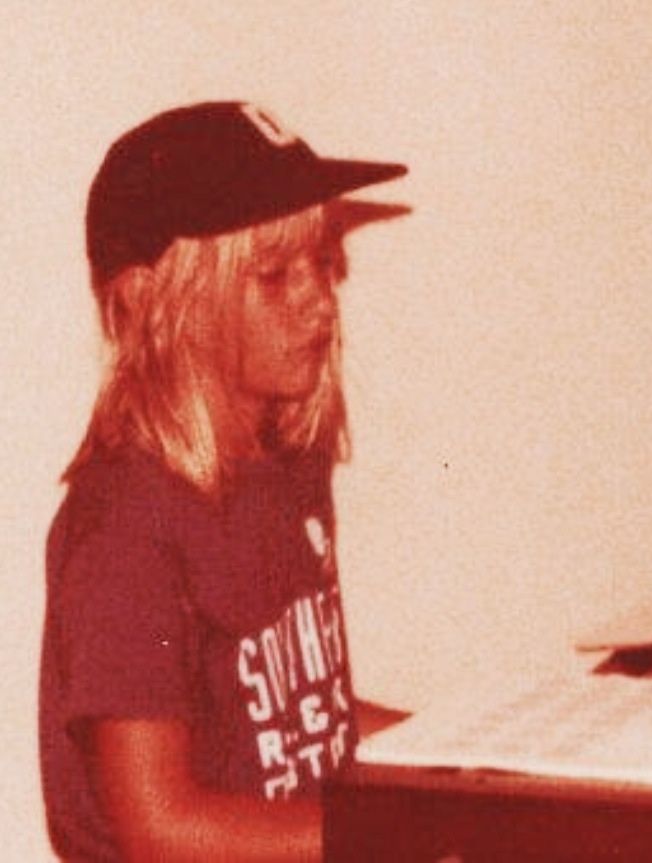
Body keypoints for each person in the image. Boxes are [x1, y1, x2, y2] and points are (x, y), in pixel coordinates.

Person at [39, 101, 408, 861]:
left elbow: (304, 723)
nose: (319, 300)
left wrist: (474, 770)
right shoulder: (125, 525)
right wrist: (399, 835)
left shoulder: (285, 464)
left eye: (323, 263)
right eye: (273, 275)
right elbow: (160, 826)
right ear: (154, 304)